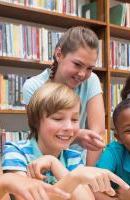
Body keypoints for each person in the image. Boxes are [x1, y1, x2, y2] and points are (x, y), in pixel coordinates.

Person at [2, 83, 130, 200]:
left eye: (74, 119)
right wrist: (73, 177)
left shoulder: (73, 157)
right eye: (57, 118)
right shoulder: (16, 152)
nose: (69, 127)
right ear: (35, 121)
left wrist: (53, 162)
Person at [23, 26, 105, 166]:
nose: (82, 74)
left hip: (78, 164)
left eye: (89, 68)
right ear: (59, 55)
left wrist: (91, 177)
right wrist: (75, 135)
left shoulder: (91, 81)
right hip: (43, 163)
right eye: (77, 64)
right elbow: (38, 134)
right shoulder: (33, 86)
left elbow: (97, 135)